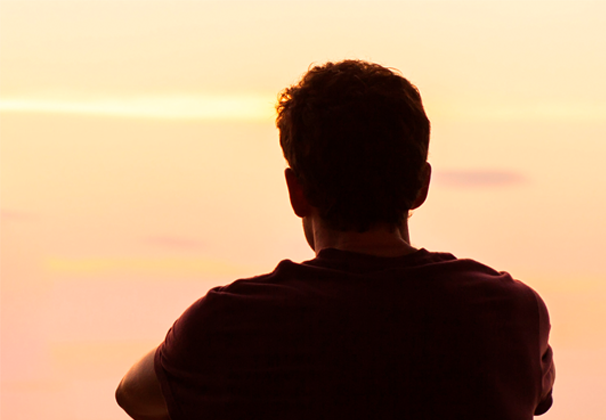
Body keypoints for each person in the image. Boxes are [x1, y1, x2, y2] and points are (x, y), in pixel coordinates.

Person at [115, 59, 555, 420]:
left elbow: (134, 395)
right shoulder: (512, 313)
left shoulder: (229, 324)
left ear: (297, 191)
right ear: (421, 185)